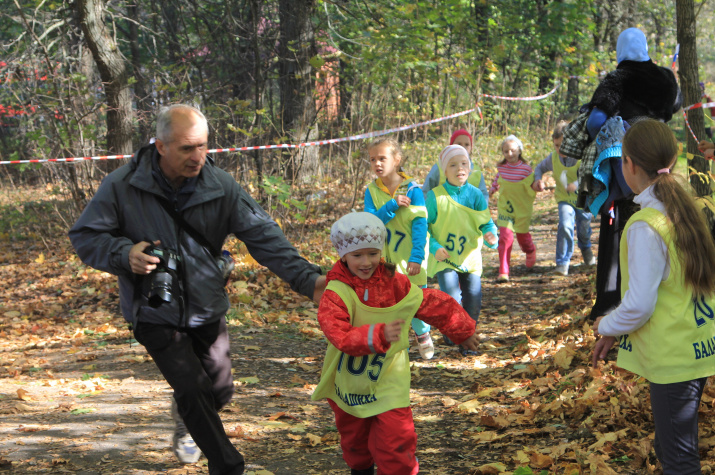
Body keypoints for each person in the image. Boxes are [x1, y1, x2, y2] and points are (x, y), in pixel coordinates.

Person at [68, 104, 326, 475]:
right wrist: (124, 254)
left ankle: (186, 417)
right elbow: (85, 237)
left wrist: (307, 279)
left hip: (207, 305)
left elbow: (263, 235)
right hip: (153, 308)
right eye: (187, 148)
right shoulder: (121, 185)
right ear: (160, 145)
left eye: (203, 146)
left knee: (217, 391)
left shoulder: (220, 185)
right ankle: (228, 466)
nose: (198, 157)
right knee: (191, 388)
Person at [312, 212, 480, 475]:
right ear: (344, 255)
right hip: (349, 381)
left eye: (373, 253)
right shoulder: (337, 292)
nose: (366, 262)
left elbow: (427, 301)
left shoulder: (394, 283)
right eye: (357, 255)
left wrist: (461, 329)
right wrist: (377, 335)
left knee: (397, 440)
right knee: (355, 442)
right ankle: (361, 469)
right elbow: (338, 333)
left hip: (390, 377)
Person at [592, 120, 715, 475]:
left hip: (674, 358)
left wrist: (606, 323)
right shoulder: (684, 206)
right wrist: (616, 331)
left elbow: (640, 305)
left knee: (678, 458)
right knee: (672, 446)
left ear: (627, 164)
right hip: (696, 345)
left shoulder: (647, 224)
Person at [576, 27, 681, 321]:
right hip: (663, 156)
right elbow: (675, 105)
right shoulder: (666, 78)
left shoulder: (618, 79)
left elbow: (596, 121)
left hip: (630, 166)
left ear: (620, 49)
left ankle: (611, 305)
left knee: (619, 229)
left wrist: (613, 141)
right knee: (663, 223)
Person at [363, 138, 434, 359]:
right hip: (384, 260)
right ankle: (394, 350)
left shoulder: (414, 189)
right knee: (386, 303)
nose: (377, 164)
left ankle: (422, 333)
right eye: (373, 159)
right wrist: (392, 205)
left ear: (397, 160)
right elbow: (371, 222)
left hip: (410, 257)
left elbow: (420, 225)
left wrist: (416, 257)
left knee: (414, 301)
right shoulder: (371, 191)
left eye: (382, 158)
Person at [426, 145, 498, 355]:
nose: (460, 168)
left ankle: (465, 333)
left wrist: (491, 236)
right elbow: (424, 229)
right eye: (453, 164)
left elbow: (486, 223)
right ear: (444, 171)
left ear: (470, 167)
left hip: (470, 258)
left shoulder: (475, 195)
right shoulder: (434, 197)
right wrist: (435, 247)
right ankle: (460, 336)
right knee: (451, 297)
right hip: (445, 259)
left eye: (464, 163)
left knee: (473, 300)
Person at [532, 121, 595, 276]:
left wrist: (577, 183)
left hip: (583, 200)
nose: (560, 149)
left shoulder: (582, 157)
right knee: (565, 225)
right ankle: (562, 263)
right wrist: (538, 179)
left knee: (584, 229)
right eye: (556, 145)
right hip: (564, 200)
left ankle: (586, 249)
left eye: (563, 145)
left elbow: (591, 174)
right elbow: (539, 168)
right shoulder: (553, 158)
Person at [489, 135, 536, 282]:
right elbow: (496, 183)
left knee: (522, 237)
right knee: (505, 237)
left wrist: (538, 185)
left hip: (521, 210)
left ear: (519, 150)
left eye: (513, 150)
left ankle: (530, 250)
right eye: (506, 151)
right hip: (505, 209)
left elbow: (533, 184)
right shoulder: (502, 169)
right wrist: (490, 191)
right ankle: (503, 271)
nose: (509, 154)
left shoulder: (526, 170)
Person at [421, 128, 488, 198]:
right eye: (459, 144)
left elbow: (483, 196)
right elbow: (426, 192)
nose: (463, 147)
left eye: (467, 144)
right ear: (451, 145)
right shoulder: (439, 168)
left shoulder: (476, 172)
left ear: (471, 148)